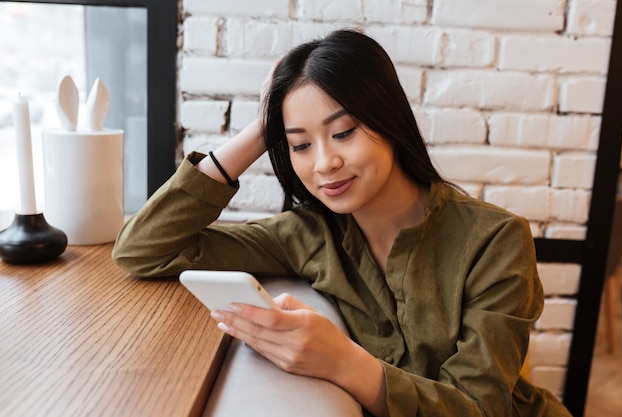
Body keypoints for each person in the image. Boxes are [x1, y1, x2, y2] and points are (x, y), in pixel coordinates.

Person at [112, 29, 573, 417]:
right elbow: (143, 249)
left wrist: (344, 363)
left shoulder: (495, 239)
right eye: (300, 145)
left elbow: (480, 407)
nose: (324, 163)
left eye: (344, 132)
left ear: (387, 119)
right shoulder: (307, 234)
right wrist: (262, 127)